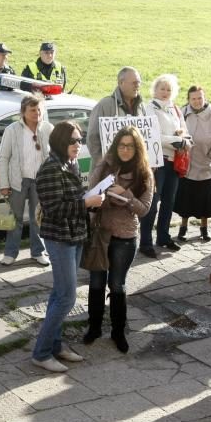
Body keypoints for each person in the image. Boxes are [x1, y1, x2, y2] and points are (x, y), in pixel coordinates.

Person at [32, 121, 104, 373]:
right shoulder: (50, 169)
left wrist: (90, 201)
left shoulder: (70, 163)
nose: (78, 145)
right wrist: (86, 204)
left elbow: (73, 199)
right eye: (73, 140)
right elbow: (54, 209)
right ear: (61, 142)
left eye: (80, 140)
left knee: (59, 294)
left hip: (74, 236)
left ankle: (55, 345)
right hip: (59, 238)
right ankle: (41, 353)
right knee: (67, 298)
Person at [83, 126, 152, 353]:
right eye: (121, 145)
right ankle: (94, 328)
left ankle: (118, 332)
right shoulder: (107, 167)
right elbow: (91, 187)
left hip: (125, 237)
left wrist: (127, 195)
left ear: (137, 148)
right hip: (100, 233)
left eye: (129, 146)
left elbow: (144, 209)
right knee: (95, 283)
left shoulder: (144, 173)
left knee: (117, 285)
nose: (125, 150)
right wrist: (105, 161)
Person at [0, 94, 52, 267]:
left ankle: (38, 252)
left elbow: (54, 156)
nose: (37, 113)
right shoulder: (12, 130)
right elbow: (4, 158)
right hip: (18, 181)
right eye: (33, 110)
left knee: (38, 218)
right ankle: (10, 253)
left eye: (39, 110)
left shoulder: (48, 128)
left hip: (40, 181)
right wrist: (4, 184)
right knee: (15, 218)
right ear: (23, 112)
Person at [140, 74, 192, 255]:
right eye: (162, 88)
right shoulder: (149, 108)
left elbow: (185, 130)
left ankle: (163, 237)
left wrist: (184, 138)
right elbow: (152, 136)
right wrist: (176, 140)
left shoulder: (176, 109)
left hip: (174, 161)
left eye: (169, 89)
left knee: (169, 202)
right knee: (152, 203)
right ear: (155, 90)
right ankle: (145, 242)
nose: (165, 92)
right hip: (156, 162)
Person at [174, 85, 211, 242]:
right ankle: (183, 227)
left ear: (204, 98)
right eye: (193, 99)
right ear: (188, 100)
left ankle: (204, 228)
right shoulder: (182, 113)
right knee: (185, 201)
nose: (197, 101)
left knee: (205, 201)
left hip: (206, 166)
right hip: (186, 166)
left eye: (200, 98)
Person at [86, 66, 146, 168]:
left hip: (135, 170)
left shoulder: (141, 106)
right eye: (134, 83)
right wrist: (103, 163)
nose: (137, 86)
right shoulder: (105, 105)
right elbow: (92, 138)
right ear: (121, 83)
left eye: (139, 82)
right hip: (109, 172)